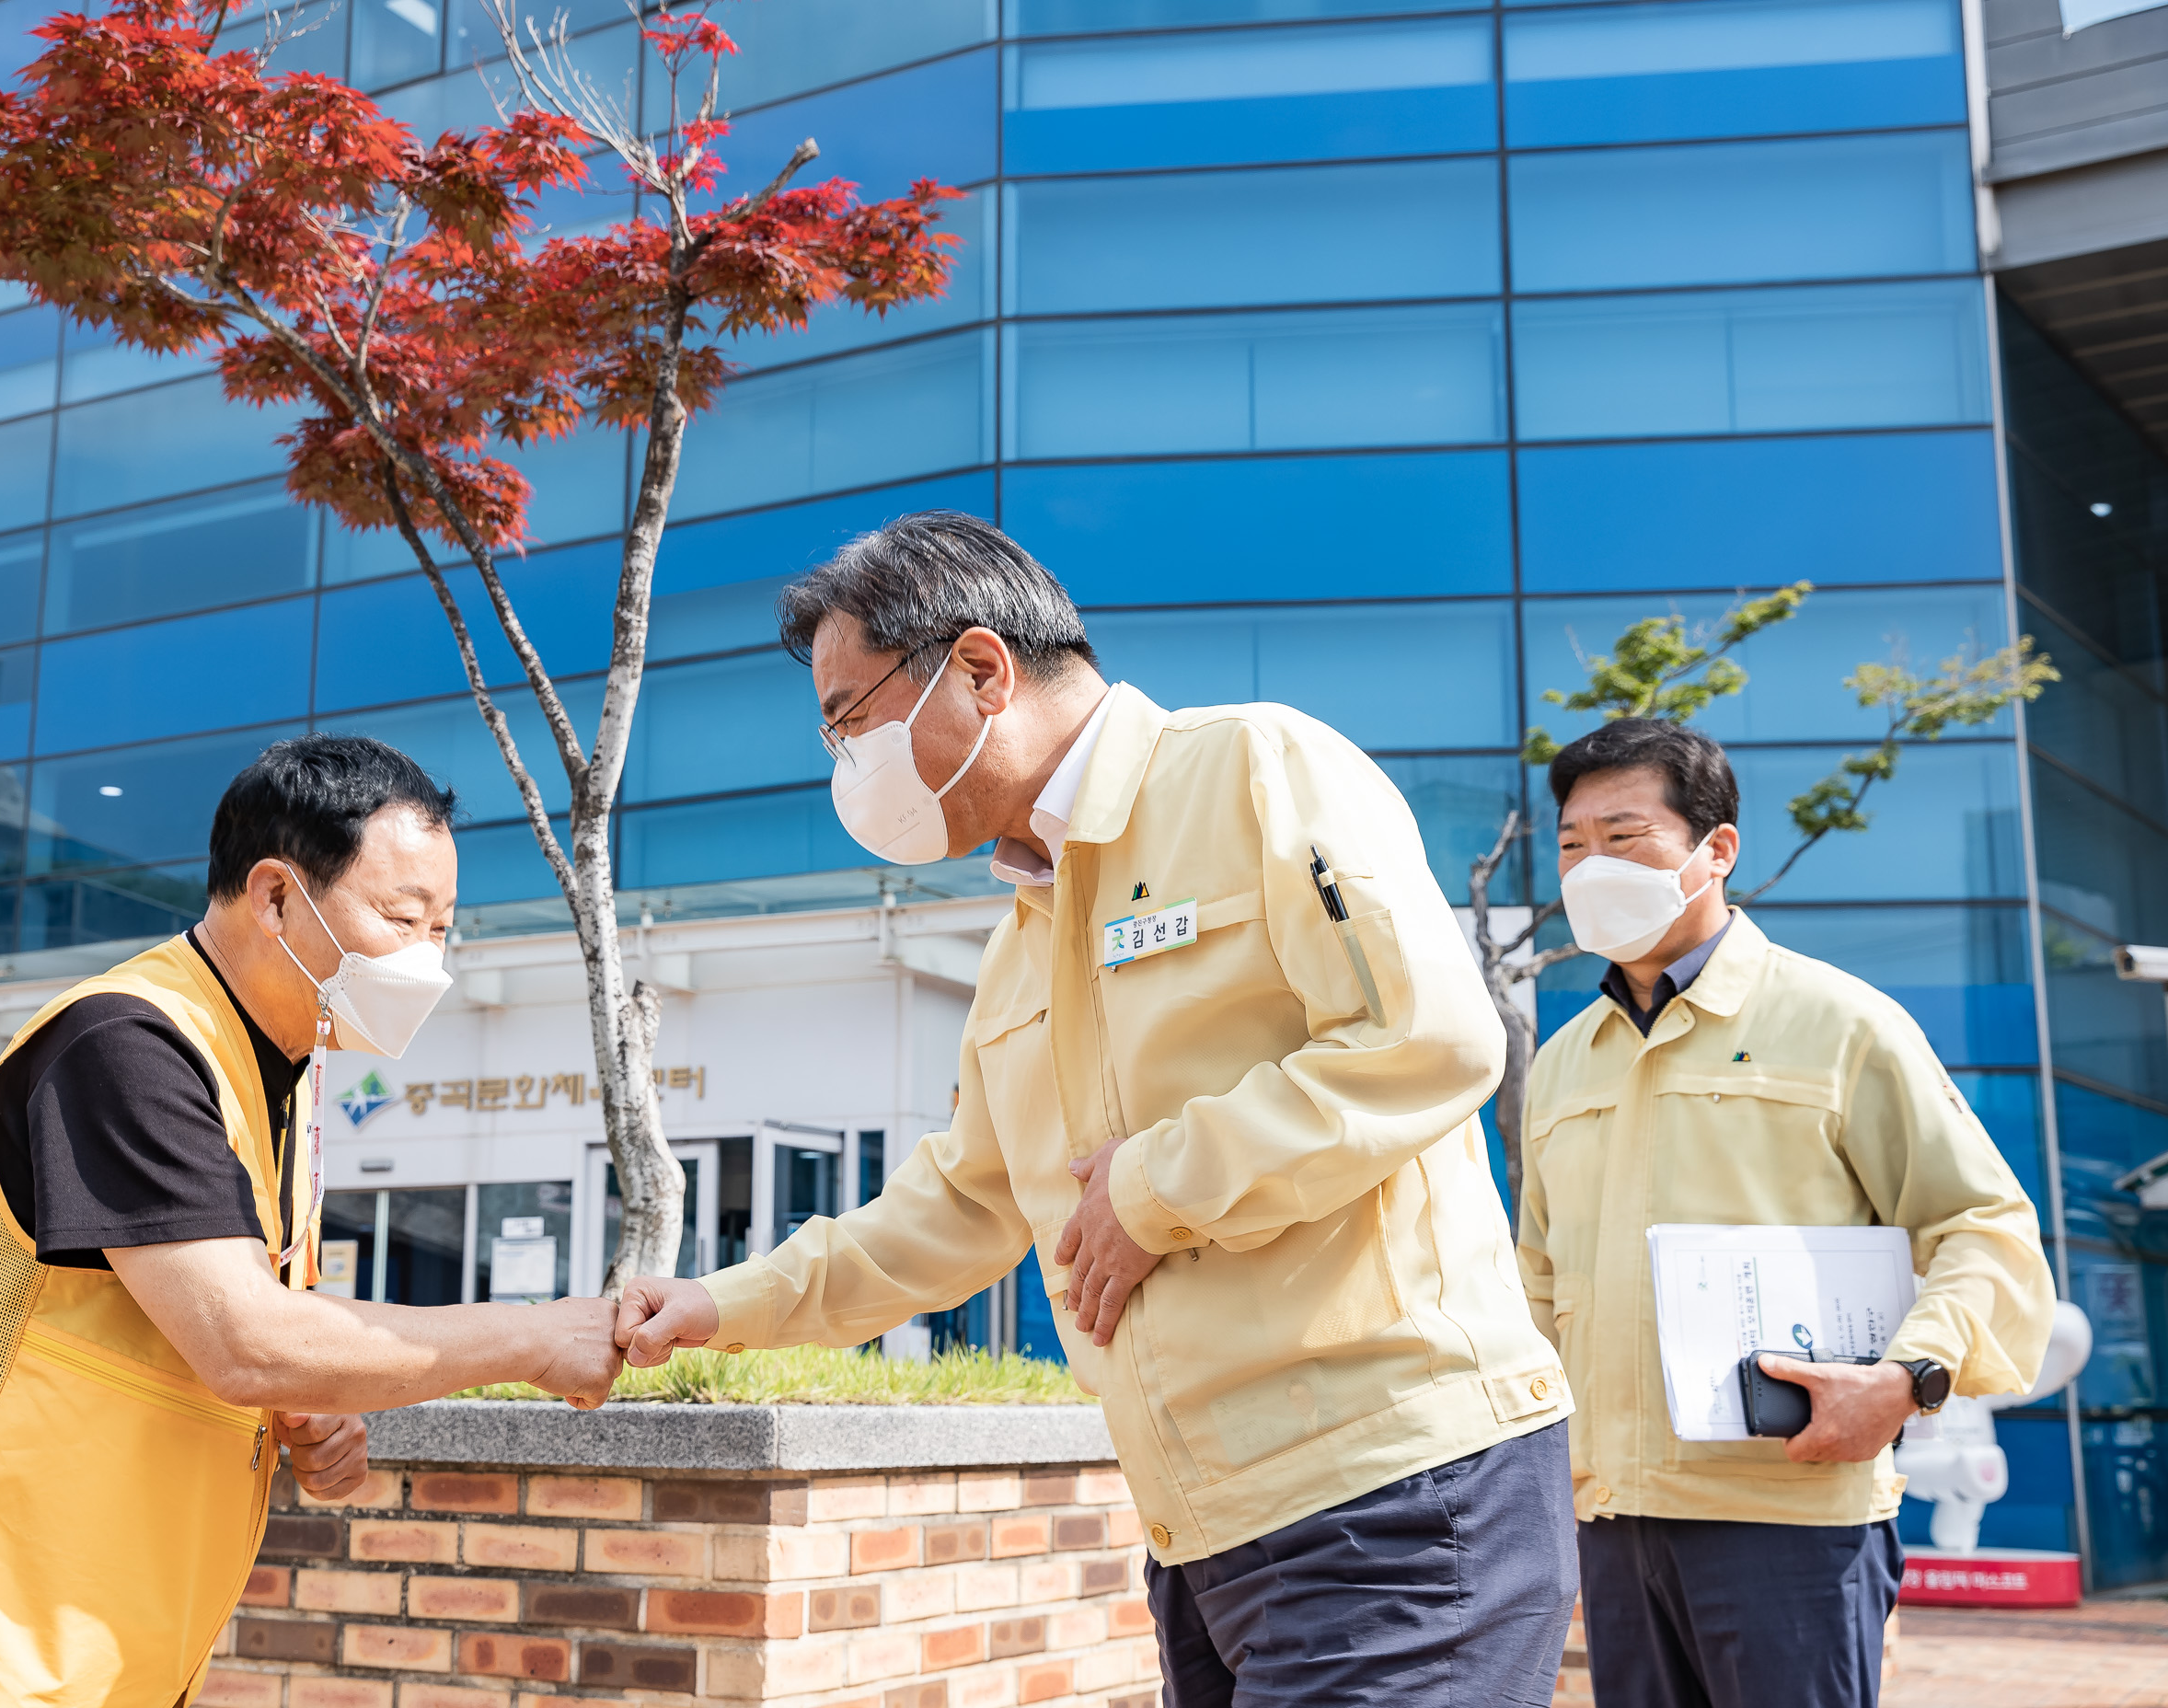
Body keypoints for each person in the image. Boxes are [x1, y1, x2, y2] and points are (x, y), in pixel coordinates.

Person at [616, 512, 1578, 1705]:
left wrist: (1154, 1187)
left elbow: (1425, 1037)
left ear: (979, 670)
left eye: (851, 719)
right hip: (1204, 1536)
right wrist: (712, 1305)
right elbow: (954, 1212)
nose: (845, 766)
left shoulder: (1251, 770)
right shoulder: (1022, 944)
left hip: (1396, 1493)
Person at [0, 734, 622, 1708]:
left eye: (445, 928)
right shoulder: (125, 1044)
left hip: (83, 1659)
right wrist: (537, 1334)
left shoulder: (288, 1075)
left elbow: (222, 1336)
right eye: (401, 918)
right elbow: (242, 1338)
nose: (430, 959)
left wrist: (309, 1404)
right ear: (275, 896)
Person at [1517, 718, 2054, 1708]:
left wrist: (1909, 1377)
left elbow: (1980, 1222)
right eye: (1571, 843)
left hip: (1791, 1514)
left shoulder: (1840, 1022)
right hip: (1614, 1519)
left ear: (1714, 849)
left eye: (1625, 836)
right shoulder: (1563, 1062)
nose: (1591, 866)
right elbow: (1538, 1279)